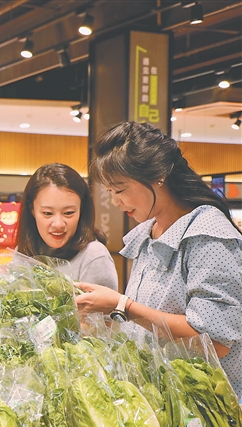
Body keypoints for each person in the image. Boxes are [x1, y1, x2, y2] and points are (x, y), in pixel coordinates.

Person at [75, 121, 242, 396]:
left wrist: (123, 306)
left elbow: (216, 341)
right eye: (110, 193)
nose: (115, 202)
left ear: (159, 176)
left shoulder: (208, 234)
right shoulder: (150, 232)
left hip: (205, 406)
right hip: (161, 399)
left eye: (120, 190)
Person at [17, 163, 118, 290]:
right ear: (32, 209)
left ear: (81, 210)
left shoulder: (94, 256)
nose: (58, 224)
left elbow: (104, 303)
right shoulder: (22, 254)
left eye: (68, 213)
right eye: (47, 213)